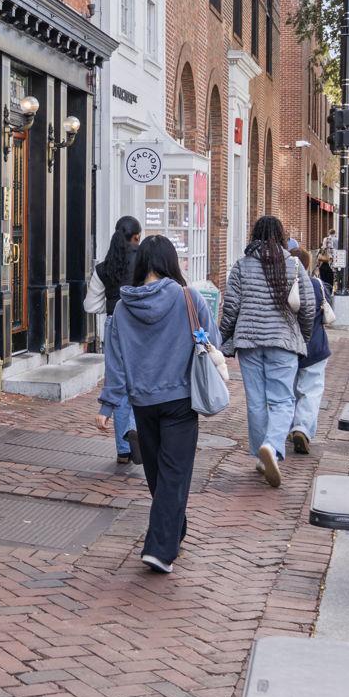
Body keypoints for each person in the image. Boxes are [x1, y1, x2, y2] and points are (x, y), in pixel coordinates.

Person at [93, 235, 213, 574]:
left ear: (140, 264)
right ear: (171, 263)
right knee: (172, 475)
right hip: (180, 400)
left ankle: (171, 531)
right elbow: (213, 342)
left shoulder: (122, 307)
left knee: (159, 476)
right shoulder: (190, 298)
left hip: (142, 403)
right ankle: (160, 549)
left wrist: (108, 405)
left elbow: (114, 361)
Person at [218, 214, 318, 487]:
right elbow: (308, 307)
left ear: (255, 235)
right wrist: (302, 336)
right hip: (283, 343)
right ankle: (272, 447)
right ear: (281, 236)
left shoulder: (241, 266)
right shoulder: (294, 265)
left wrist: (223, 338)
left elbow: (231, 309)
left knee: (256, 401)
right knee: (283, 400)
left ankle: (262, 456)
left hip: (249, 342)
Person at [83, 215, 143, 465]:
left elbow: (90, 305)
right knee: (137, 386)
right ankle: (133, 429)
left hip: (112, 324)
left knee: (117, 383)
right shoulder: (143, 262)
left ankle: (122, 450)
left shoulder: (103, 268)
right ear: (136, 237)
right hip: (139, 328)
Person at [289, 251, 335, 455]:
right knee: (312, 390)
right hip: (315, 346)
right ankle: (302, 428)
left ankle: (289, 427)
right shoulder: (317, 285)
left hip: (289, 347)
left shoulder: (283, 287)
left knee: (289, 392)